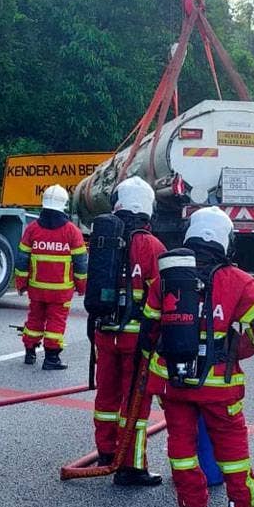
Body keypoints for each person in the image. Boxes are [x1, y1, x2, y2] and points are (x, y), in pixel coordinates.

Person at [140, 207, 254, 507]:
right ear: (224, 241)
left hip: (171, 381)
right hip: (217, 386)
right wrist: (236, 351)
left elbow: (149, 328)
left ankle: (192, 503)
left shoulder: (166, 278)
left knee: (180, 443)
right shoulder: (239, 281)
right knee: (231, 448)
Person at [91, 177, 165, 486]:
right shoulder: (152, 247)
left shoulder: (102, 240)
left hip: (104, 334)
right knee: (134, 403)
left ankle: (107, 452)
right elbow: (161, 297)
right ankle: (131, 467)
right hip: (137, 342)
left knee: (106, 396)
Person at [13, 185, 87, 370]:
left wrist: (21, 284)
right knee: (56, 322)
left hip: (36, 288)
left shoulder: (32, 229)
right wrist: (81, 286)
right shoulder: (72, 231)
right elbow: (80, 263)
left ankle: (30, 352)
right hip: (61, 291)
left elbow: (21, 260)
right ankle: (51, 359)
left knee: (35, 318)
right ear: (64, 204)